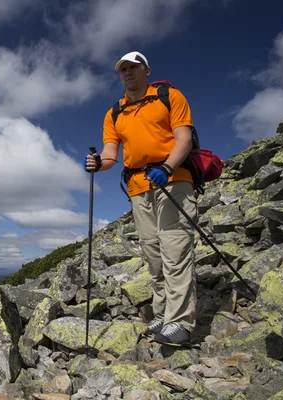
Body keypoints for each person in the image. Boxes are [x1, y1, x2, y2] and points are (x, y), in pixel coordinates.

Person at [84, 51, 198, 345]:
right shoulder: (115, 113)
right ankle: (161, 314)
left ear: (147, 70)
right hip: (138, 187)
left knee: (175, 249)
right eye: (123, 70)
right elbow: (111, 154)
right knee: (153, 254)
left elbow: (183, 138)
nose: (127, 73)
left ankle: (181, 322)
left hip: (173, 179)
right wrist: (99, 163)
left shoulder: (168, 95)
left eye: (133, 68)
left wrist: (167, 167)